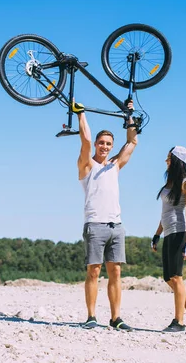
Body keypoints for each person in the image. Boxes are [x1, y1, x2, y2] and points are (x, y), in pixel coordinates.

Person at [72, 98, 137, 331]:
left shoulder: (115, 165)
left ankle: (116, 318)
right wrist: (80, 114)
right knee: (94, 271)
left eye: (109, 143)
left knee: (115, 272)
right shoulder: (87, 165)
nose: (105, 146)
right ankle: (91, 316)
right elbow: (86, 140)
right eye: (102, 143)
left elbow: (132, 141)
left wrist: (128, 114)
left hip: (116, 226)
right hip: (95, 225)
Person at [151, 146, 186, 335]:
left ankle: (179, 321)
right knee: (169, 278)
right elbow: (165, 212)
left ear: (176, 160)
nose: (166, 161)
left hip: (179, 232)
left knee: (176, 278)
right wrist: (157, 233)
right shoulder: (170, 181)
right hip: (168, 233)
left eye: (168, 158)